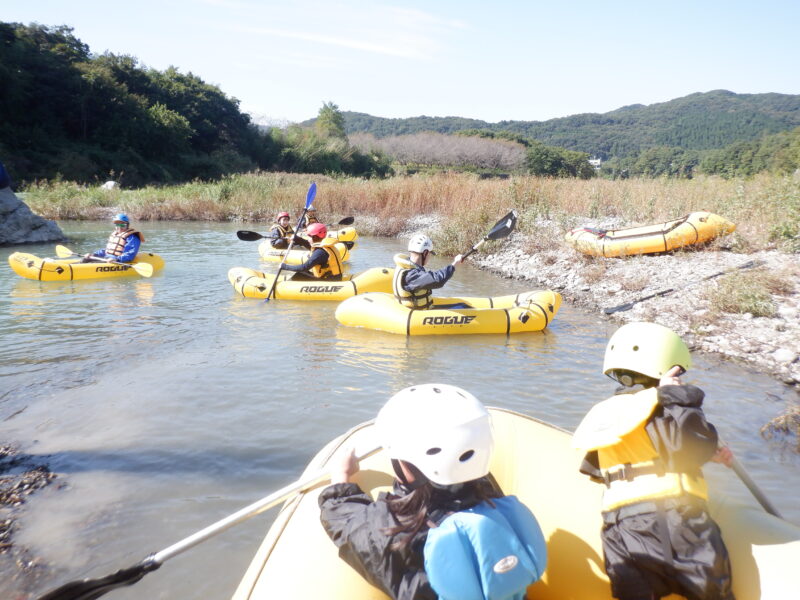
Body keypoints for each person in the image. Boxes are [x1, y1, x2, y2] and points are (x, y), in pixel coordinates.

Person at [319, 383, 547, 600]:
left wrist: (341, 475)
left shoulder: (389, 529)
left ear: (407, 466)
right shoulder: (493, 499)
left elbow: (341, 518)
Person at [572, 322, 736, 600]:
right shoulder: (668, 404)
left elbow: (599, 468)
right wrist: (680, 400)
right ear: (669, 368)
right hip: (678, 519)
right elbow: (691, 446)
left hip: (620, 529)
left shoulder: (608, 412)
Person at [392, 234, 464, 309]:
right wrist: (454, 263)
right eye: (429, 253)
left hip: (415, 309)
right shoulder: (412, 275)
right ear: (425, 253)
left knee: (461, 306)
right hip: (418, 314)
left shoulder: (406, 268)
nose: (429, 256)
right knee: (462, 307)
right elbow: (438, 280)